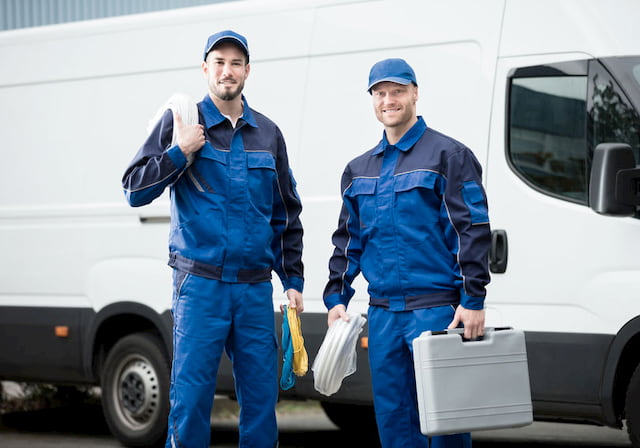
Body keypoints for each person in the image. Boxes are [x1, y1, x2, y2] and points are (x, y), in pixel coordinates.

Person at [122, 30, 304, 448]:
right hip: (199, 284)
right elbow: (134, 189)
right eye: (219, 62)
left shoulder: (269, 135)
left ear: (247, 71)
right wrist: (178, 152)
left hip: (255, 289)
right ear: (205, 68)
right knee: (190, 402)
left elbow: (286, 213)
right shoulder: (183, 121)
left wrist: (292, 280)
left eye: (236, 63)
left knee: (261, 402)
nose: (227, 70)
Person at [323, 58, 491, 448]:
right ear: (372, 100)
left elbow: (471, 230)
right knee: (395, 422)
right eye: (380, 93)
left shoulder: (449, 156)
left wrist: (473, 298)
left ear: (415, 93)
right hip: (383, 315)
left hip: (437, 312)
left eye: (397, 91)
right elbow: (348, 239)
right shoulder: (358, 169)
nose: (388, 100)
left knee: (445, 424)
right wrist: (337, 296)